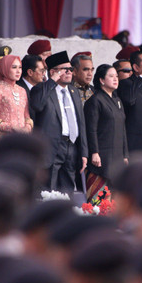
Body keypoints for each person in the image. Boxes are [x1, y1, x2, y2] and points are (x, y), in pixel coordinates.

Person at [30, 51, 88, 192]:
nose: (69, 72)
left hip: (72, 146)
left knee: (68, 189)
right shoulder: (42, 89)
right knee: (49, 189)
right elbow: (37, 105)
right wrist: (51, 82)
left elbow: (81, 123)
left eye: (71, 69)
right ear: (53, 72)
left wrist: (84, 152)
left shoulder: (73, 91)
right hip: (52, 147)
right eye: (65, 69)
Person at [84, 64, 128, 200]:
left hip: (117, 155)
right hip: (102, 155)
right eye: (111, 76)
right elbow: (91, 129)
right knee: (99, 200)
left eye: (116, 76)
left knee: (116, 198)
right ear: (102, 80)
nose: (116, 79)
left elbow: (123, 129)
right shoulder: (95, 101)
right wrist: (94, 152)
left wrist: (125, 154)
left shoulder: (117, 100)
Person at [0, 55, 32, 143]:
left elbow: (27, 116)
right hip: (4, 140)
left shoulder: (22, 90)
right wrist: (12, 127)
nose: (18, 71)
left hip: (23, 139)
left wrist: (27, 127)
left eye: (20, 67)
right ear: (5, 68)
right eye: (14, 67)